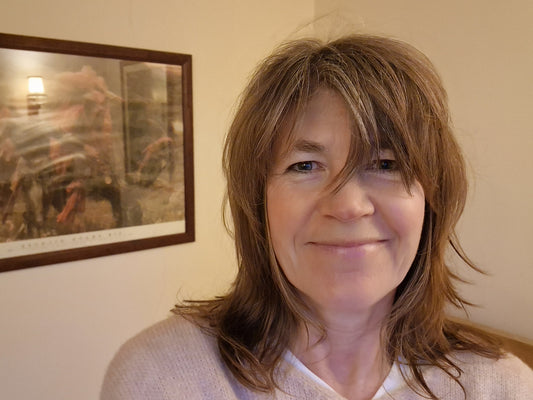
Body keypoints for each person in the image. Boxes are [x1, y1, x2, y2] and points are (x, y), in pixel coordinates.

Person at [100, 34, 533, 399]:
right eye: (304, 166)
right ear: (257, 203)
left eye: (385, 164)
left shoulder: (501, 386)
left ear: (431, 197)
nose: (347, 206)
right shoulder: (161, 379)